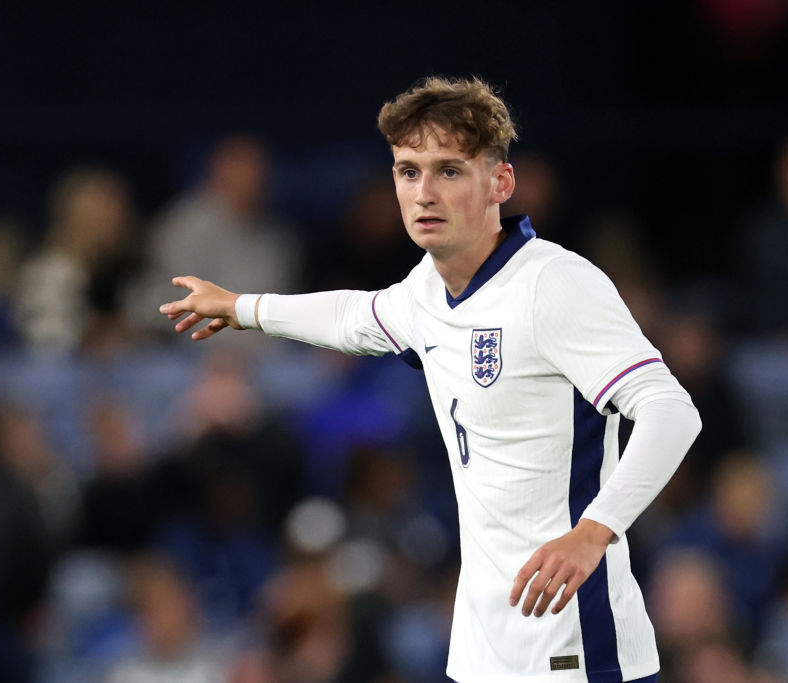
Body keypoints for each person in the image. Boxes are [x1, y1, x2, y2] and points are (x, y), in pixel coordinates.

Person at [159, 76, 701, 683]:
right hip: (481, 645)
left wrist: (594, 533)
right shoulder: (426, 290)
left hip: (575, 641)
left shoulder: (555, 285)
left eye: (448, 171)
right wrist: (241, 308)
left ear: (500, 181)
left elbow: (672, 411)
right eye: (407, 171)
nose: (423, 192)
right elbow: (352, 316)